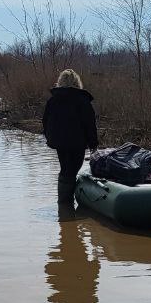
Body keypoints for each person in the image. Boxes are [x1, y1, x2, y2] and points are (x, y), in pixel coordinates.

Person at [42, 68, 98, 204]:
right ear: (77, 82)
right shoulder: (83, 100)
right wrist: (93, 144)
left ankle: (64, 204)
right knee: (71, 171)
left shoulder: (53, 100)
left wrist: (50, 138)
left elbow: (45, 121)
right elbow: (89, 124)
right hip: (77, 142)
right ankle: (66, 204)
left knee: (66, 169)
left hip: (60, 142)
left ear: (60, 81)